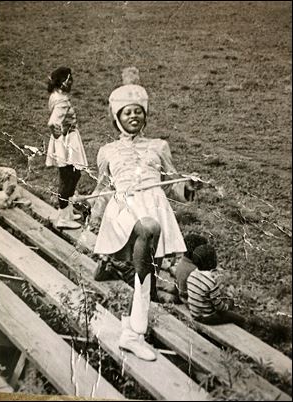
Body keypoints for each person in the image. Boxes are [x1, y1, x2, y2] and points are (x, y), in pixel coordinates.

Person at [87, 67, 199, 361]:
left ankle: (133, 330)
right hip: (124, 209)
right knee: (147, 230)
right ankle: (134, 331)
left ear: (145, 116)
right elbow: (103, 188)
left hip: (155, 206)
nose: (133, 116)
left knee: (146, 264)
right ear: (117, 119)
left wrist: (187, 185)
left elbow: (172, 184)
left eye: (138, 111)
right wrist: (94, 220)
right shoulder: (107, 150)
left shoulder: (159, 146)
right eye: (127, 113)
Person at [45, 67, 88, 229]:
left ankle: (67, 211)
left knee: (73, 175)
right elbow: (52, 122)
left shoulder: (56, 96)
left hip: (64, 140)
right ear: (62, 82)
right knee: (68, 177)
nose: (71, 82)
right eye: (69, 79)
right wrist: (60, 135)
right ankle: (63, 217)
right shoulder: (62, 101)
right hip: (67, 140)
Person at [174, 235, 246, 327]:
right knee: (238, 317)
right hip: (202, 311)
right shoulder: (196, 272)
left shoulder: (183, 265)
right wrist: (227, 305)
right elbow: (217, 305)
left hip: (193, 305)